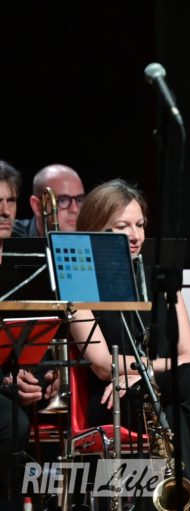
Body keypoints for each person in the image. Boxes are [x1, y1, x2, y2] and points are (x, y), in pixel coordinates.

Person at [69, 179, 190, 511]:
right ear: (95, 229)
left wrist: (144, 373)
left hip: (154, 387)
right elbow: (102, 364)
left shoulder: (161, 277)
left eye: (140, 225)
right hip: (116, 396)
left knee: (183, 401)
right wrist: (146, 372)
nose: (135, 235)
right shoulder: (78, 281)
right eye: (122, 227)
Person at [0, 161, 58, 503]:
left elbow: (39, 331)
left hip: (14, 388)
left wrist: (41, 375)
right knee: (12, 422)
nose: (4, 211)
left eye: (10, 201)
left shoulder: (30, 260)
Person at [13, 164, 85, 237]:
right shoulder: (10, 236)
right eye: (63, 201)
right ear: (37, 206)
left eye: (79, 200)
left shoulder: (90, 232)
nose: (75, 209)